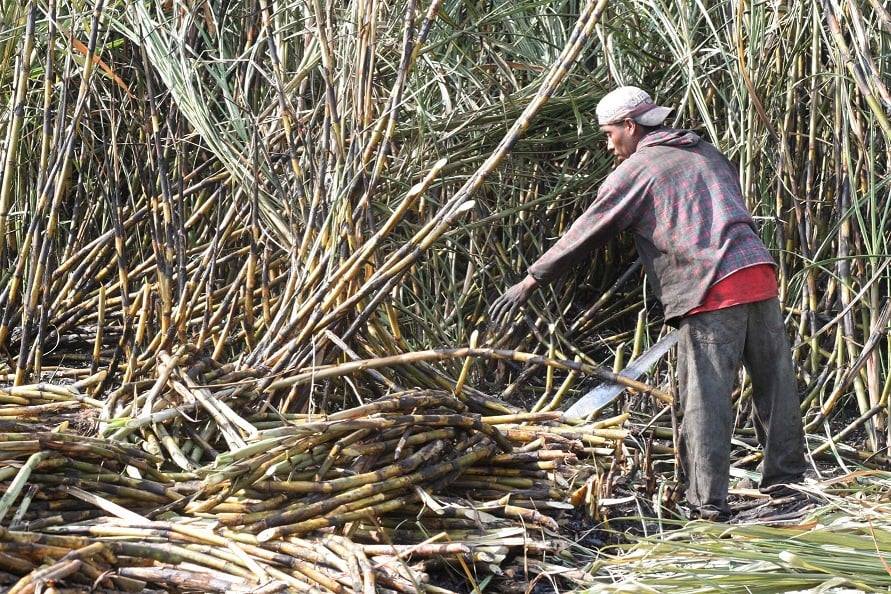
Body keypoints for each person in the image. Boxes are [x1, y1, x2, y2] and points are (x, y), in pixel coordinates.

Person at [489, 86, 808, 520]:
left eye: (608, 134)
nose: (608, 145)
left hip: (710, 287)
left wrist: (531, 280)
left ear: (630, 127)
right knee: (777, 388)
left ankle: (706, 506)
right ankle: (788, 487)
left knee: (705, 399)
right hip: (759, 273)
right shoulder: (706, 151)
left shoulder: (638, 169)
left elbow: (586, 231)